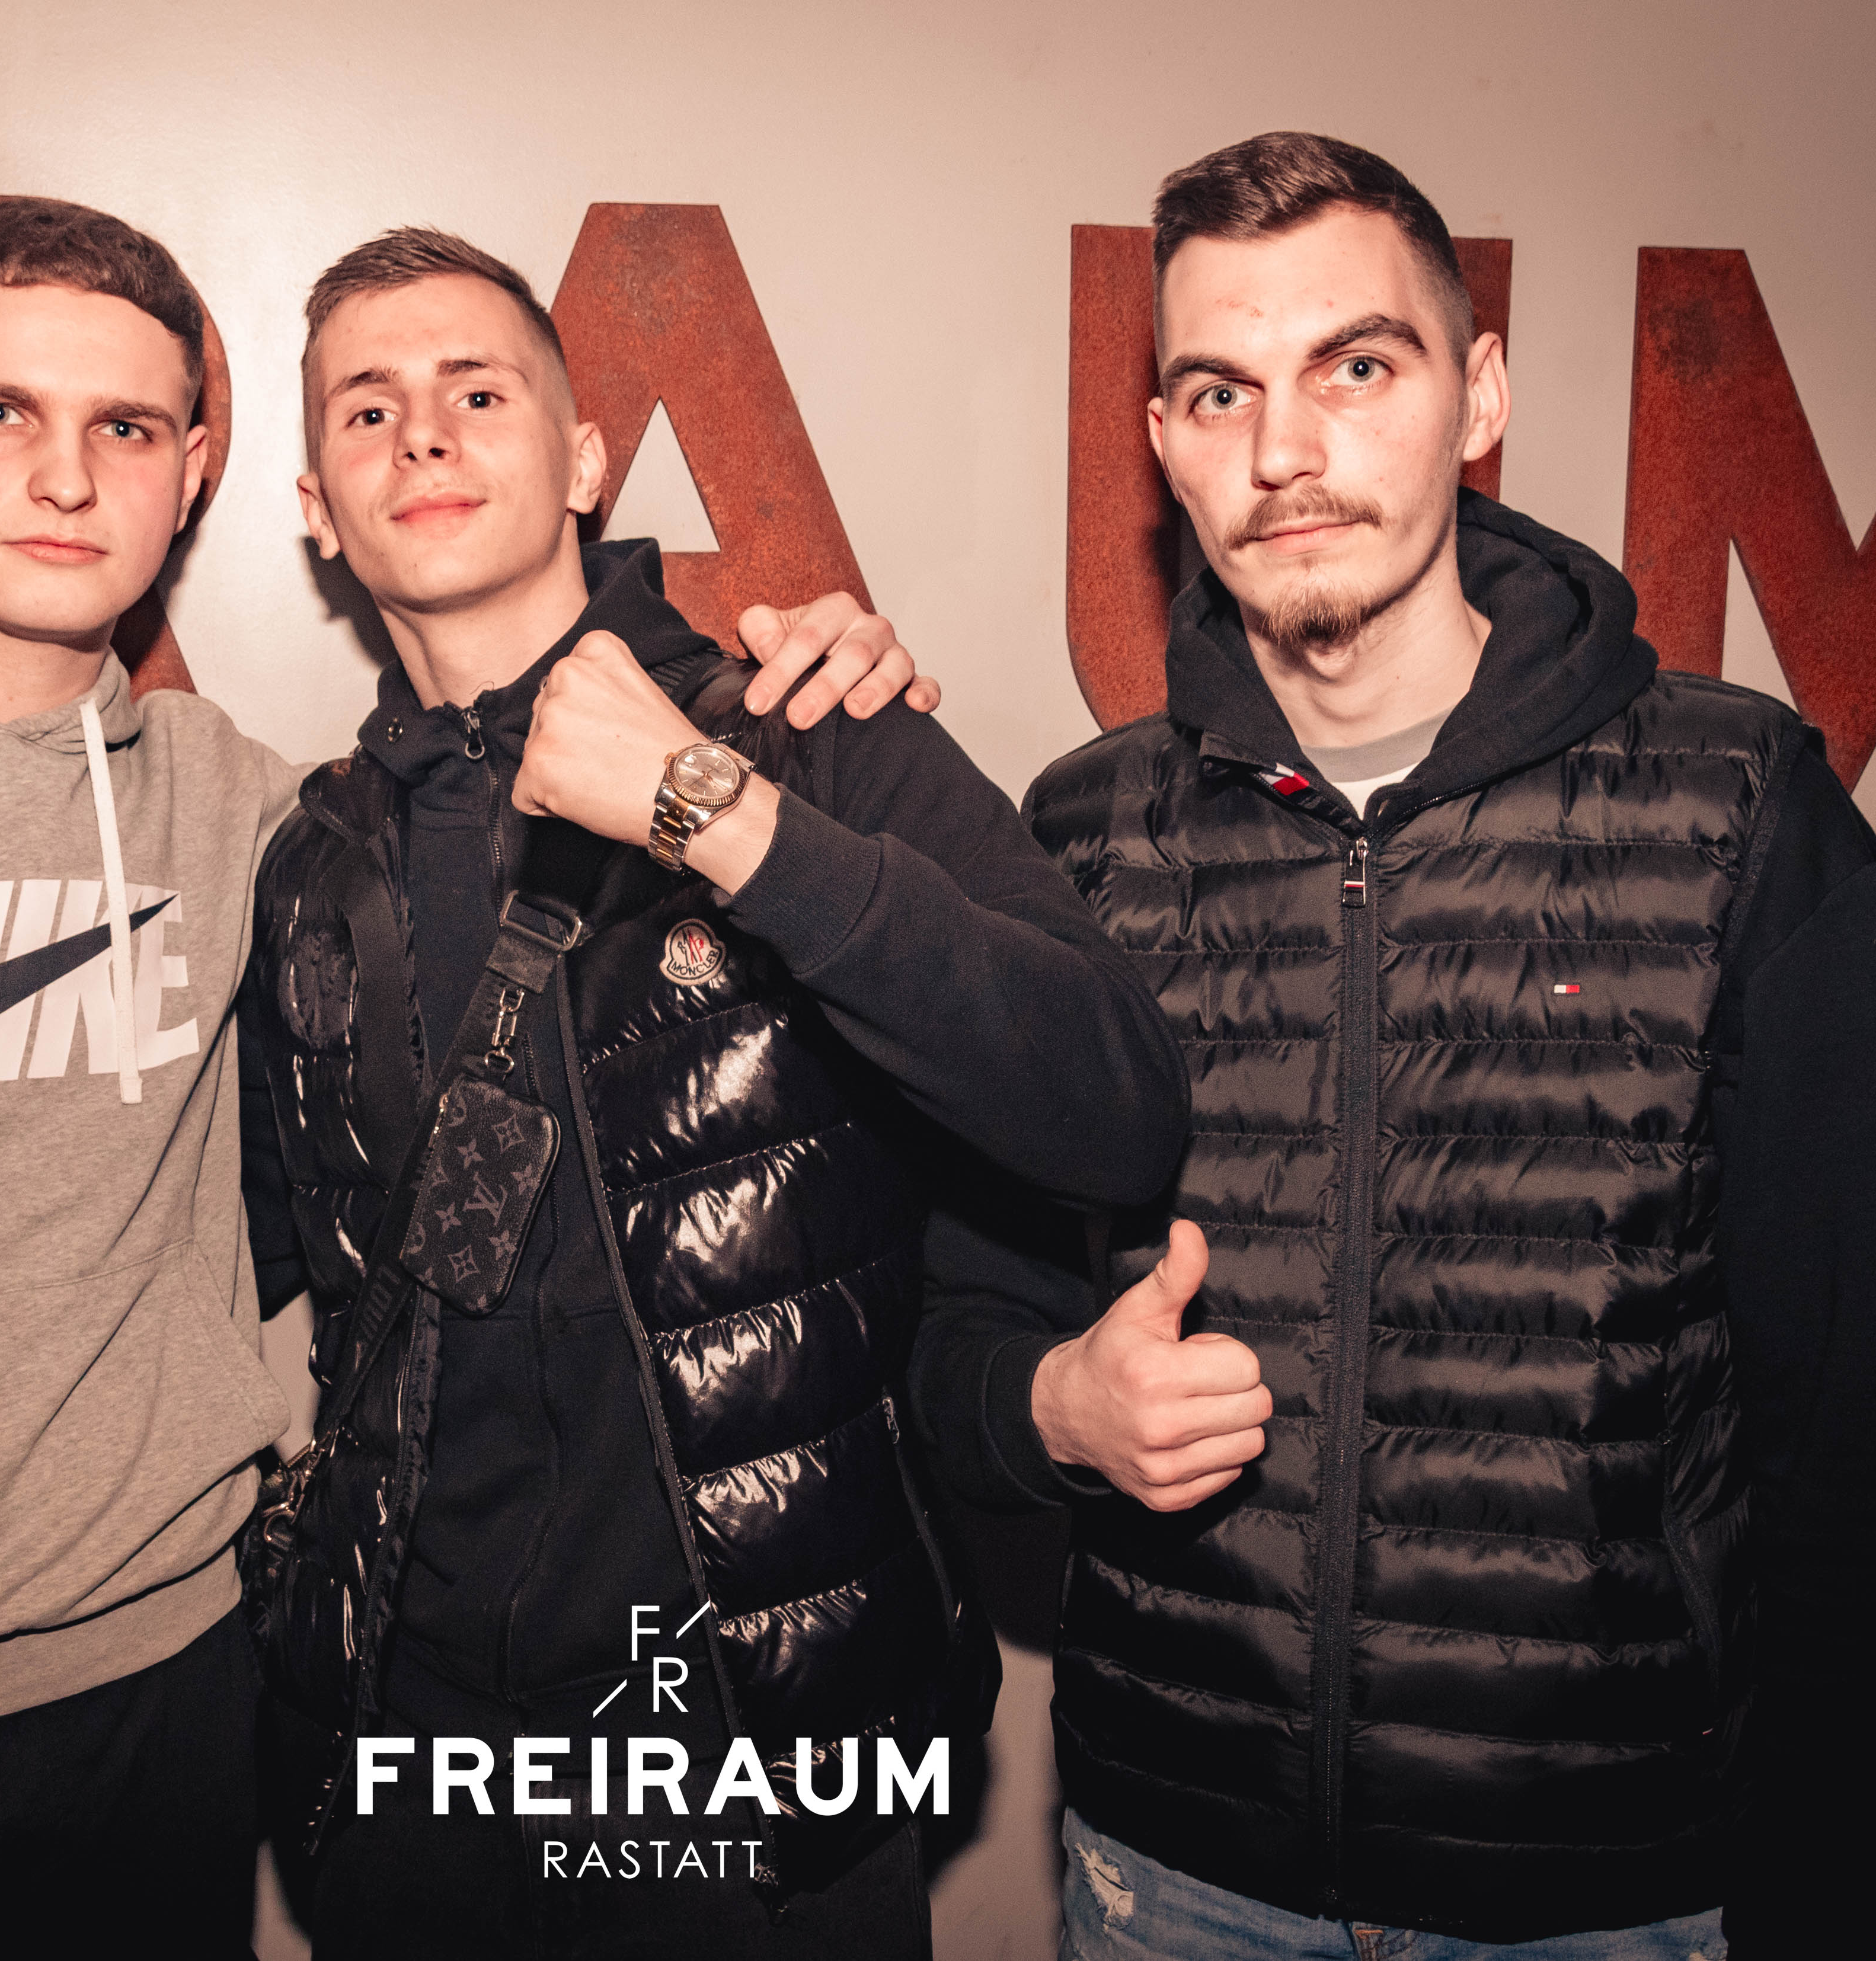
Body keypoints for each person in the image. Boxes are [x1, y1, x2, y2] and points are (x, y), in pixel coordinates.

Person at [0, 197, 928, 1960]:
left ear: (194, 475)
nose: (64, 479)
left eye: (122, 427)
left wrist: (807, 687)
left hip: (181, 1694)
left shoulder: (250, 814)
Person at [912, 133, 1876, 1960]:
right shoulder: (1076, 842)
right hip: (1176, 1876)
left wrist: (1827, 1905)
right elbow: (958, 1334)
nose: (1282, 452)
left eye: (1355, 367)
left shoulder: (1742, 810)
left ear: (1479, 396)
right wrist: (1055, 1407)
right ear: (1161, 445)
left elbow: (1835, 1440)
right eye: (1219, 391)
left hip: (1611, 1900)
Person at [237, 227, 1191, 1961]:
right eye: (368, 410)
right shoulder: (312, 861)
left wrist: (717, 810)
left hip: (757, 1761)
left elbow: (1113, 1105)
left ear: (585, 460)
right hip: (411, 1764)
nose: (422, 433)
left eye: (476, 392)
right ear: (318, 506)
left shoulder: (812, 734)